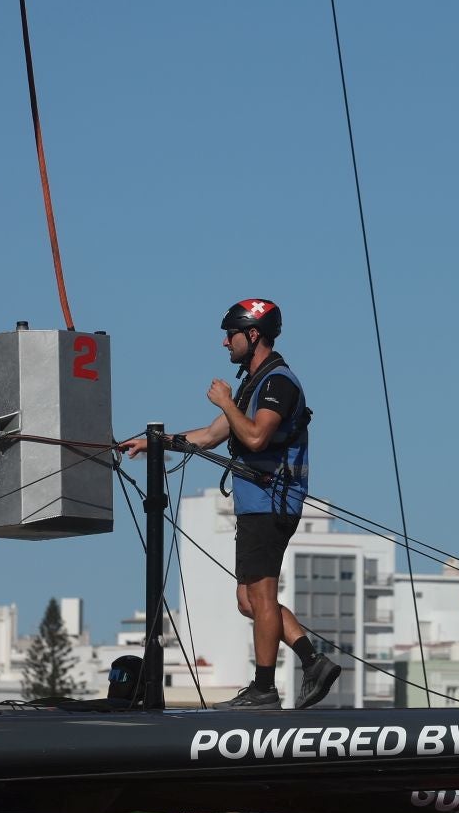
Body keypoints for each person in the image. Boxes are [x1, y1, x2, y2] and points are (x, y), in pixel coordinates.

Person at [122, 299, 342, 710]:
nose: (225, 343)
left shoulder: (278, 383)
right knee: (248, 600)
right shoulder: (253, 385)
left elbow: (256, 437)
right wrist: (154, 443)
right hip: (255, 504)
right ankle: (314, 662)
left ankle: (264, 689)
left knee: (261, 596)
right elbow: (209, 437)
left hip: (271, 504)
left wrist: (225, 401)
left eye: (231, 335)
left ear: (253, 335)